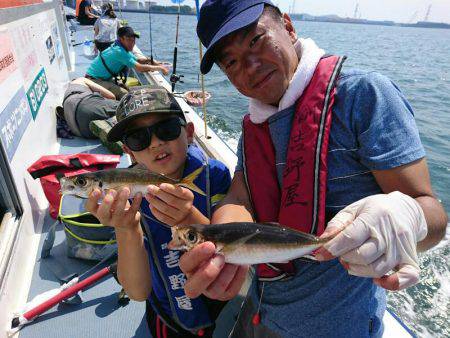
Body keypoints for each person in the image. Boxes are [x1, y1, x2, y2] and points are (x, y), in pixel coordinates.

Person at [178, 1, 448, 337]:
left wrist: (406, 215)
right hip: (261, 310)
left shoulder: (363, 95)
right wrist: (223, 248)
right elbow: (240, 195)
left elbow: (434, 217)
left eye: (255, 40)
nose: (249, 66)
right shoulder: (253, 125)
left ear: (288, 28)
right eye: (230, 62)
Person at [85, 87, 232, 337]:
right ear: (129, 152)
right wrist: (126, 227)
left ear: (189, 133)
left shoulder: (214, 176)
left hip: (221, 298)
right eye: (138, 138)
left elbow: (231, 247)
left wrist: (189, 218)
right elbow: (138, 291)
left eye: (166, 129)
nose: (155, 143)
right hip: (169, 315)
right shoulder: (128, 198)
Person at [85, 26, 170, 100]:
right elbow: (139, 68)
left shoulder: (120, 47)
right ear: (121, 39)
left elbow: (136, 60)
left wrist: (152, 61)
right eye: (128, 40)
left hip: (99, 78)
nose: (132, 43)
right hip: (93, 80)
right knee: (125, 95)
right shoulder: (119, 51)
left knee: (125, 88)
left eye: (133, 40)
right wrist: (161, 68)